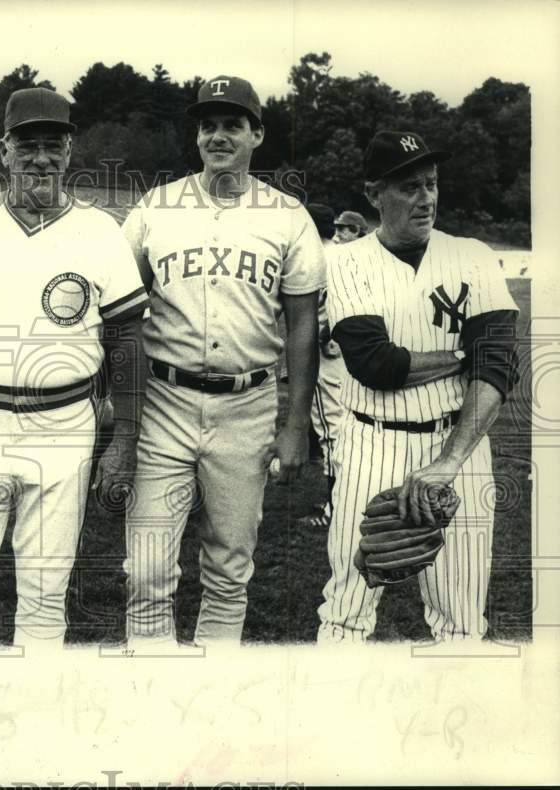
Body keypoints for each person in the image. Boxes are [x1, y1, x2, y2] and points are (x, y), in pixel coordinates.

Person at [0, 87, 149, 652]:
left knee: (46, 592)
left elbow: (127, 337)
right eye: (28, 146)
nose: (41, 158)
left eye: (54, 145)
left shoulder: (100, 230)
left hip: (66, 427)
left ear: (70, 151)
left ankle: (35, 715)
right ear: (4, 151)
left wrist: (123, 440)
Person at [121, 75, 325, 649]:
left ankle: (216, 689)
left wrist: (295, 422)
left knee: (230, 566)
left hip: (249, 405)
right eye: (207, 125)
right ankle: (149, 678)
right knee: (147, 568)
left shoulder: (287, 216)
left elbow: (302, 324)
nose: (217, 135)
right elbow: (121, 311)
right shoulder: (155, 208)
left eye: (232, 125)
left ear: (257, 134)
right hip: (165, 401)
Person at [318, 130, 519, 642]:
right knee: (345, 611)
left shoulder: (472, 254)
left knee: (461, 619)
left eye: (431, 184)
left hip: (461, 447)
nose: (425, 198)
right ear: (373, 195)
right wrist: (462, 356)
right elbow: (375, 364)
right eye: (408, 187)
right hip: (371, 440)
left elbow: (496, 367)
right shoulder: (345, 260)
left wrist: (448, 463)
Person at [298, 203, 345, 529]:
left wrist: (328, 334)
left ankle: (336, 509)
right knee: (345, 427)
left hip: (329, 355)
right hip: (348, 356)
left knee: (332, 430)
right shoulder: (344, 253)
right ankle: (342, 500)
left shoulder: (318, 260)